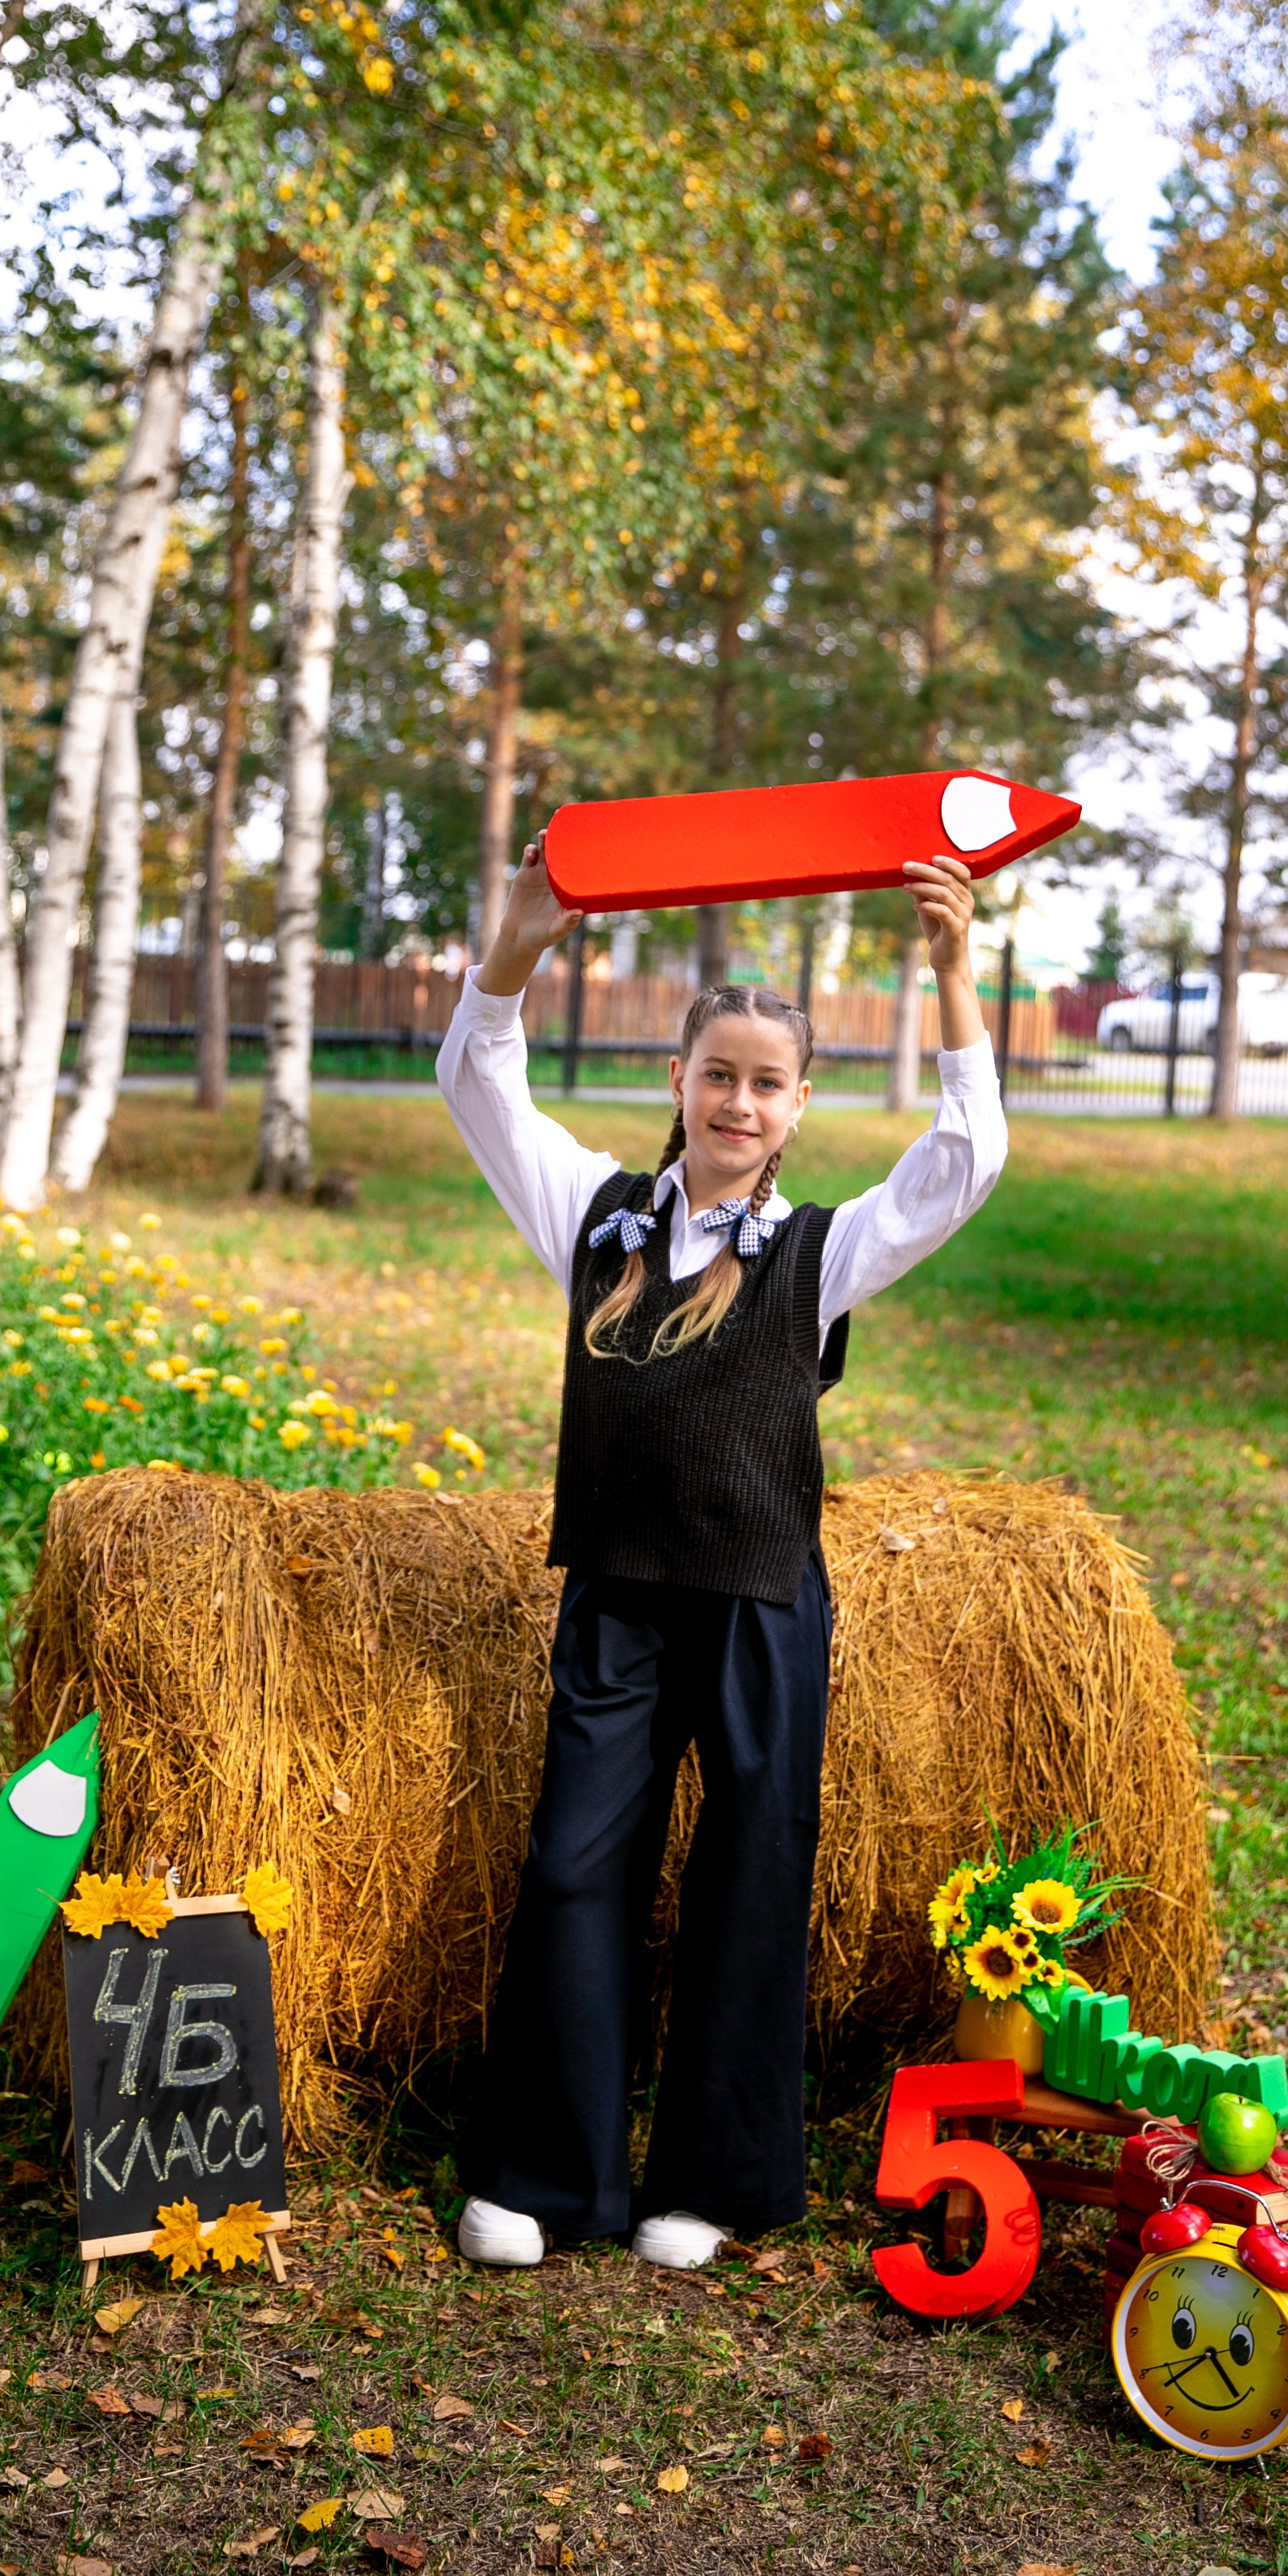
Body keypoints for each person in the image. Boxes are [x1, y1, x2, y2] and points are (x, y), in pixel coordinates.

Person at [436, 833, 1008, 2271]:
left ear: (800, 1106)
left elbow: (966, 1159)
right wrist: (519, 941)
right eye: (718, 1074)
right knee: (576, 1863)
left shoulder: (826, 1250)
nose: (739, 1099)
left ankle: (711, 2180)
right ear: (678, 1084)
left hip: (761, 1603)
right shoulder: (594, 1215)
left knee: (752, 1871)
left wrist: (951, 975)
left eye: (767, 1082)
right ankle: (552, 2178)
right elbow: (478, 1080)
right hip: (619, 1595)